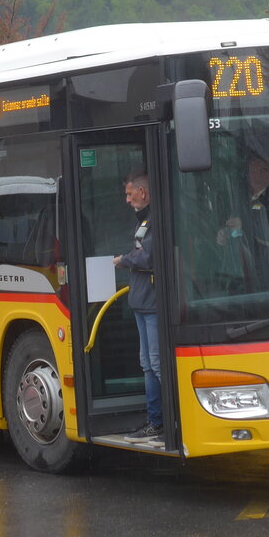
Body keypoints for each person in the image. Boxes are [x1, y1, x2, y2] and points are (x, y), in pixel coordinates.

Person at [113, 171, 162, 446]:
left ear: (143, 193)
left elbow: (149, 255)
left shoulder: (155, 219)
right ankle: (155, 421)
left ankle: (164, 421)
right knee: (148, 364)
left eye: (130, 194)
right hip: (142, 303)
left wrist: (125, 260)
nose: (127, 199)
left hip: (152, 304)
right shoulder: (144, 220)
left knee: (156, 364)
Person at [217, 154, 269, 289]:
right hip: (249, 278)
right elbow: (238, 232)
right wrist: (225, 234)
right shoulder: (242, 200)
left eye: (263, 170)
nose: (257, 175)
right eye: (253, 171)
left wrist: (245, 226)